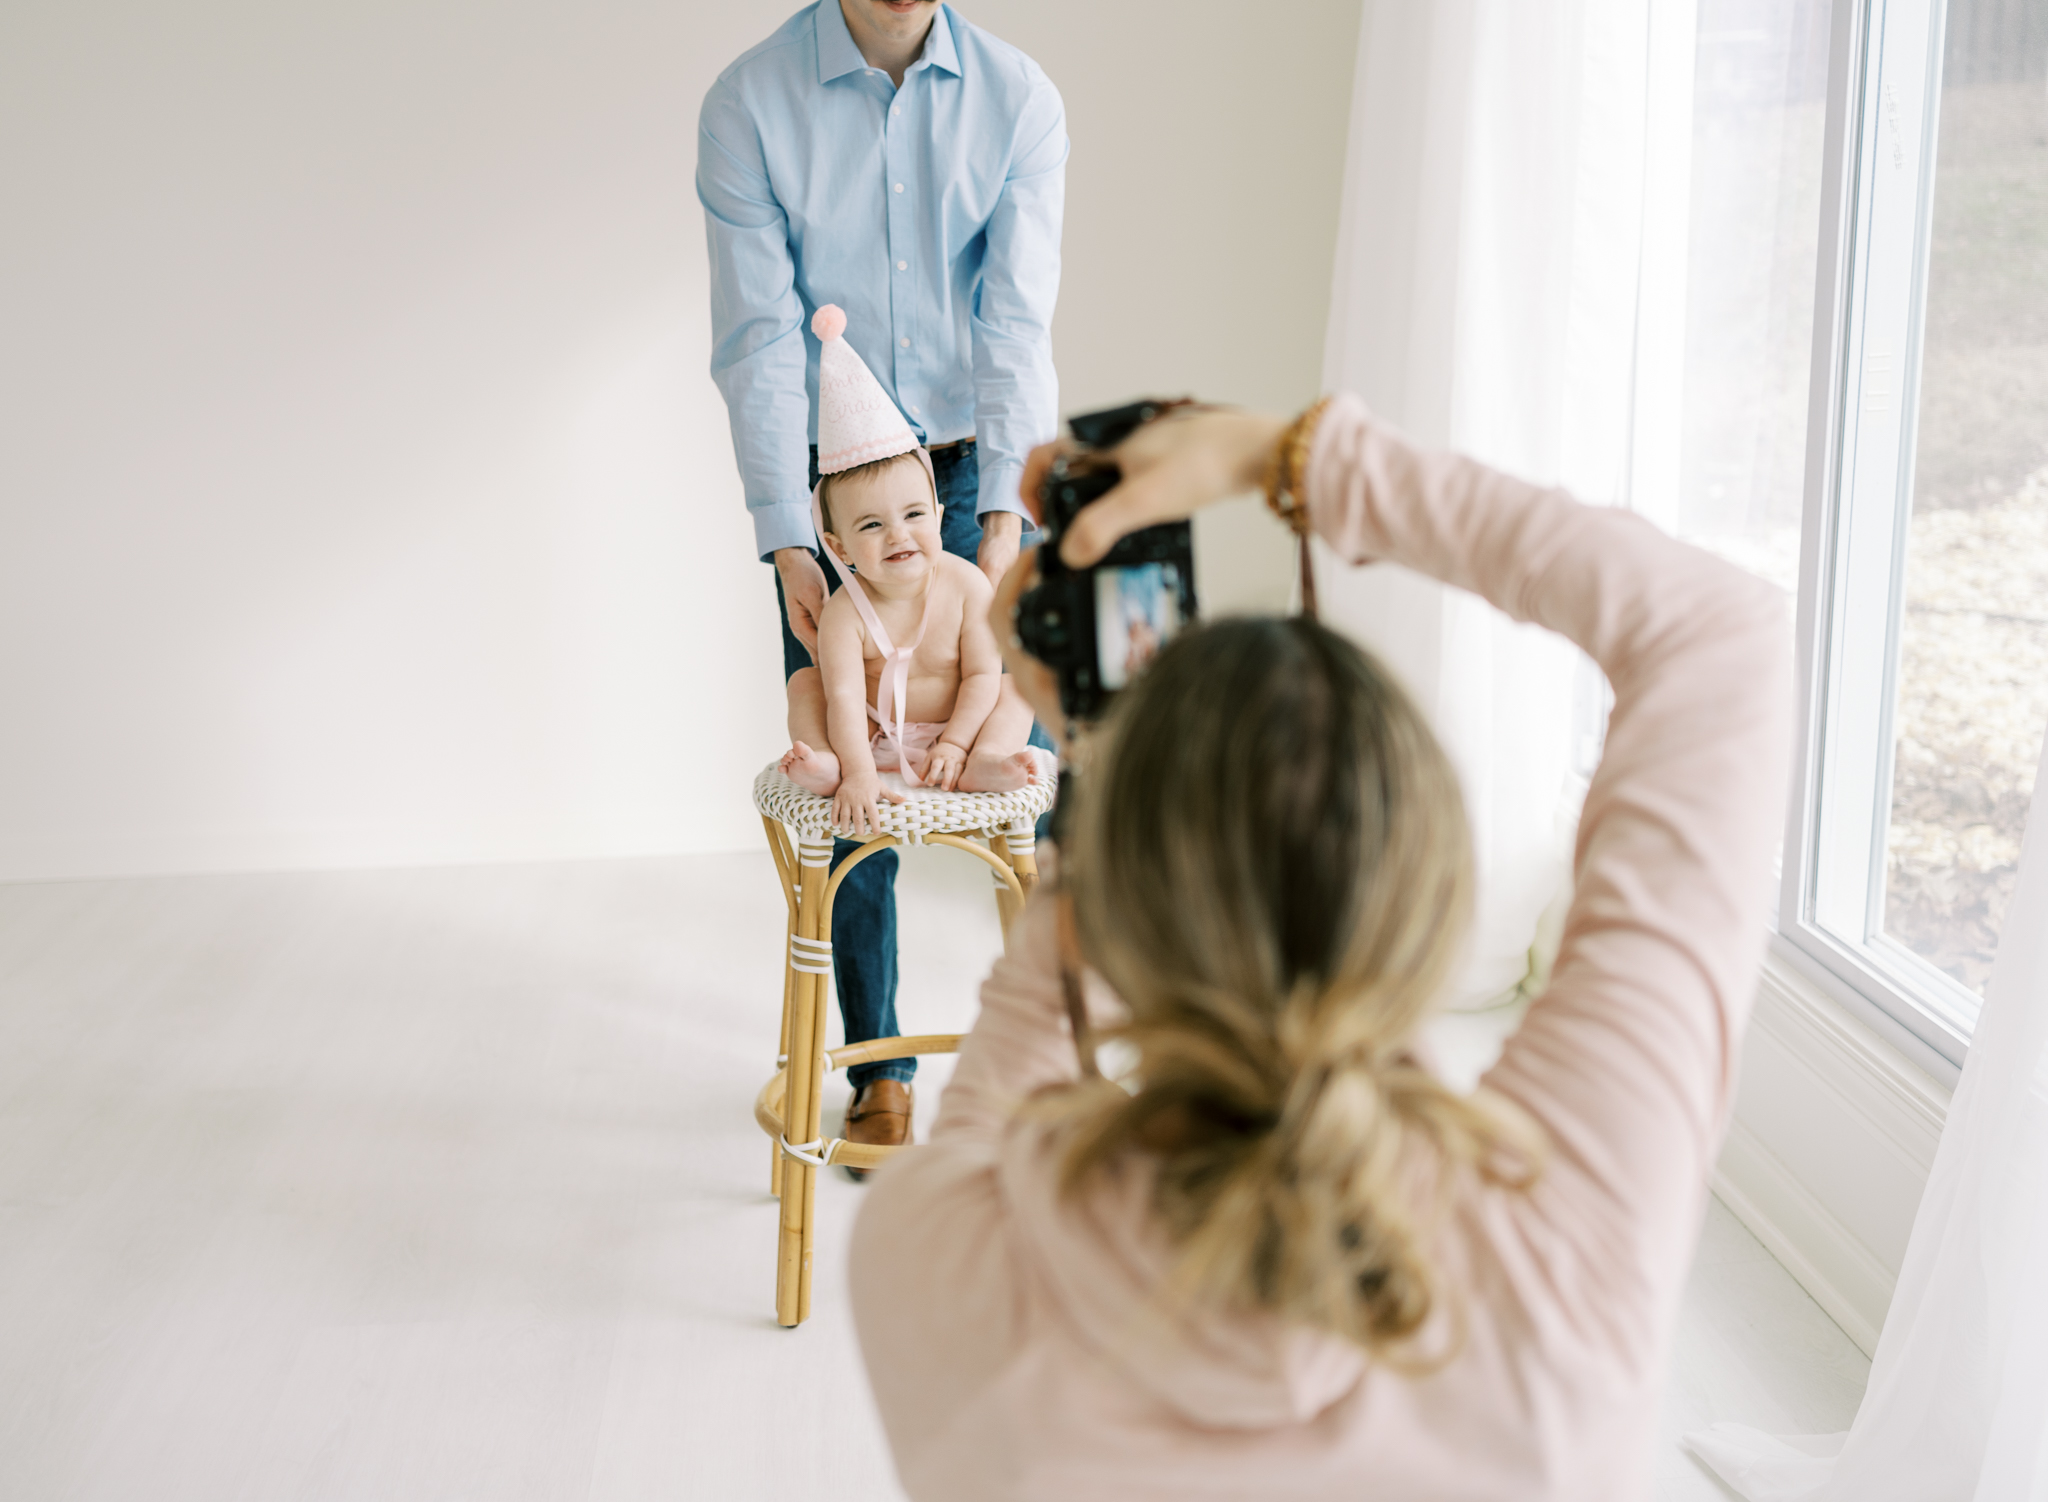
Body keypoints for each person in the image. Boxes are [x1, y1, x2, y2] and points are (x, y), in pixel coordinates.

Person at [848, 396, 1793, 1498]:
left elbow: (1038, 1002)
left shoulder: (937, 1253)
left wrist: (1102, 756)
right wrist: (1290, 457)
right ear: (1437, 901)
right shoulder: (1572, 1235)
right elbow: (1718, 634)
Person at [698, 0, 1065, 1153]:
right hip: (836, 495)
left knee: (1011, 749)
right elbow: (759, 336)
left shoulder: (1021, 102)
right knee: (851, 772)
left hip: (970, 464)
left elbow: (1015, 320)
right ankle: (877, 1062)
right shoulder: (749, 104)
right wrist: (786, 538)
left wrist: (1002, 512)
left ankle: (1044, 1056)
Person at [778, 306, 1045, 829]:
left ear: (941, 517)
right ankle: (831, 768)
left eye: (915, 514)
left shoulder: (966, 585)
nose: (899, 534)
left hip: (958, 734)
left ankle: (984, 761)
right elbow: (847, 696)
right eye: (872, 526)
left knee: (1015, 687)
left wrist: (957, 742)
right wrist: (858, 769)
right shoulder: (844, 612)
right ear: (840, 547)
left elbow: (982, 675)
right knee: (806, 684)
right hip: (871, 738)